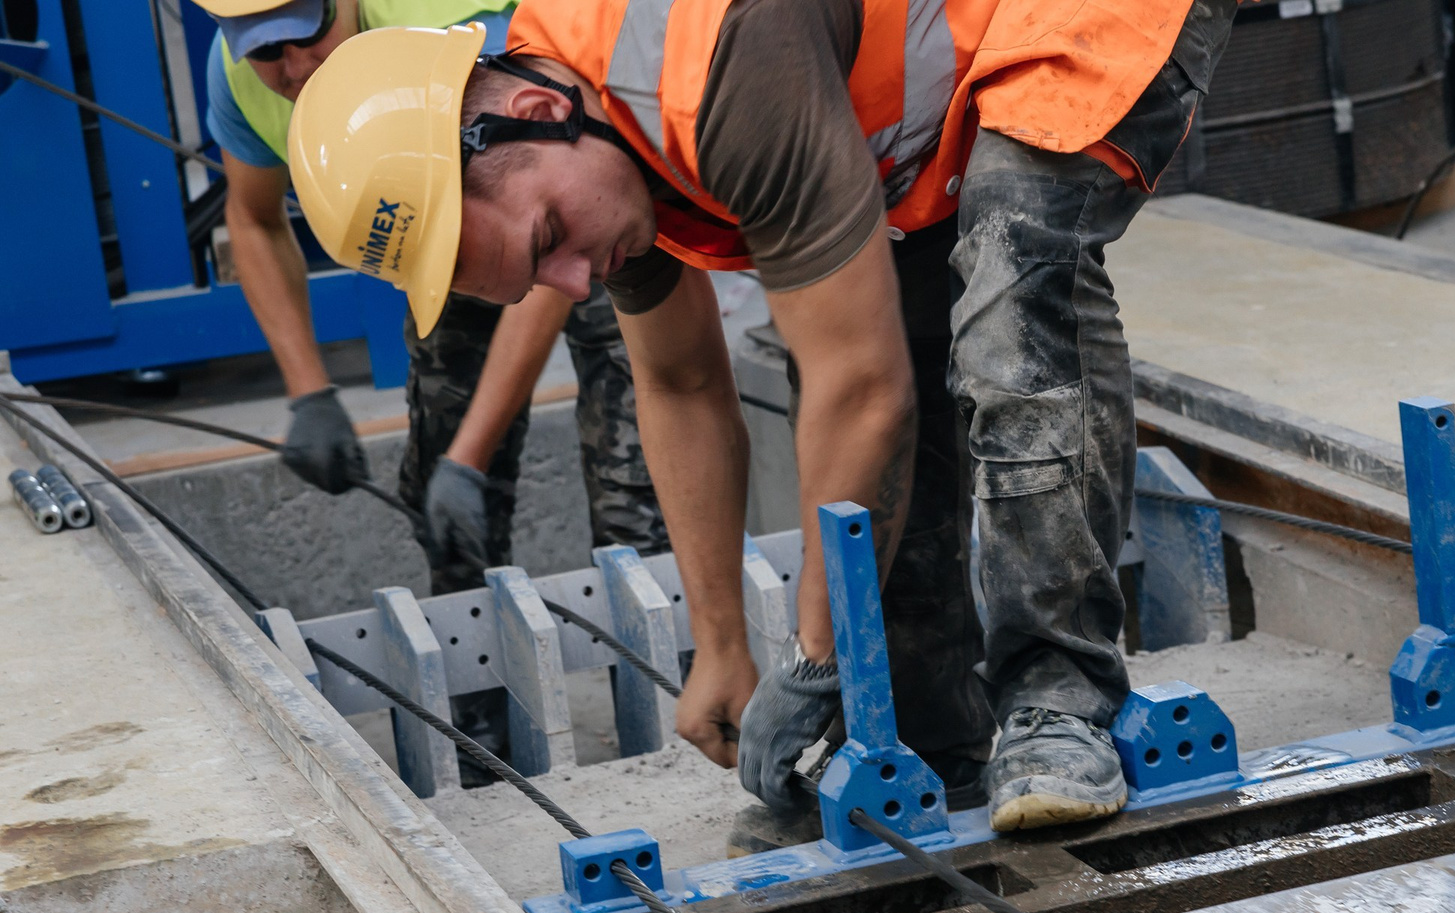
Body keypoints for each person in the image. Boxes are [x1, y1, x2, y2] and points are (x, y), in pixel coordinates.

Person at [283, 0, 1237, 832]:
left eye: (551, 240)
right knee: (897, 341)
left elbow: (859, 388)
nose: (574, 282)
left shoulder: (718, 62)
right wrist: (722, 646)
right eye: (542, 274)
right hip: (953, 66)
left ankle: (1059, 703)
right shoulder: (591, 125)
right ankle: (931, 738)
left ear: (535, 114)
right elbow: (680, 384)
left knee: (1016, 253)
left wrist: (816, 660)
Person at [198, 0, 668, 587]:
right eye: (266, 48)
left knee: (636, 485)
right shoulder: (237, 74)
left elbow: (552, 265)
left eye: (306, 31)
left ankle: (662, 612)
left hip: (566, 215)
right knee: (441, 496)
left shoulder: (449, 34)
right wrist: (309, 392)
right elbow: (254, 218)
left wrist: (470, 457)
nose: (294, 67)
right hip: (450, 239)